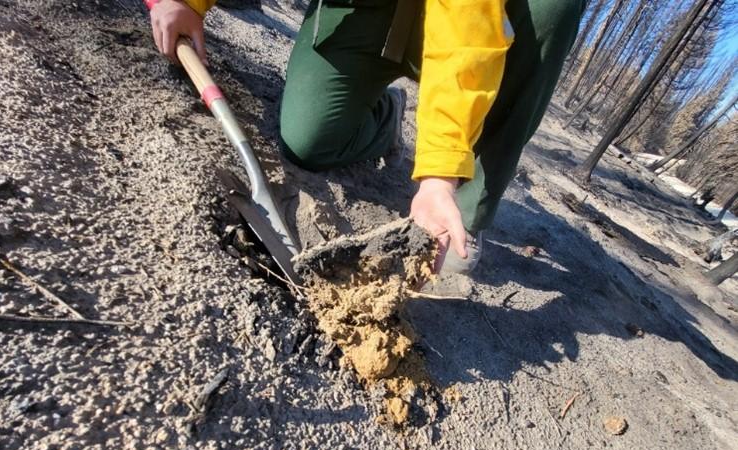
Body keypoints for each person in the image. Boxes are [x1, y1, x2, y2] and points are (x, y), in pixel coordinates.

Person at [148, 0, 585, 272]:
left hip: (463, 18)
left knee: (553, 5)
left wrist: (439, 175)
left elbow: (466, 30)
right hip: (360, 13)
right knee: (309, 141)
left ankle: (468, 207)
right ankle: (386, 116)